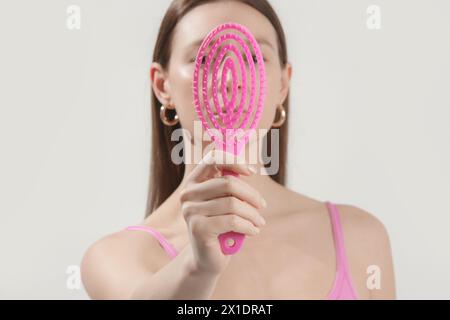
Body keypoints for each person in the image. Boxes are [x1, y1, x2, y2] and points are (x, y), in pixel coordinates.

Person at [81, 0, 396, 300]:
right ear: (163, 86)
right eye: (204, 59)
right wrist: (197, 268)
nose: (230, 78)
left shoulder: (361, 238)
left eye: (254, 58)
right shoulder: (115, 257)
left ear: (283, 85)